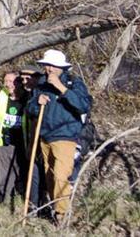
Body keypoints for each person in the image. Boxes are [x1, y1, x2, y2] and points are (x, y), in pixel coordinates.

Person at [26, 49, 92, 223]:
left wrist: (61, 88)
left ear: (61, 67)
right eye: (46, 65)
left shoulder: (74, 83)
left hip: (65, 136)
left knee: (61, 176)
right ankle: (56, 207)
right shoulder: (41, 84)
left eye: (52, 66)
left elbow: (83, 106)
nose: (48, 69)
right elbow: (30, 109)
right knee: (50, 176)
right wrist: (36, 102)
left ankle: (62, 215)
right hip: (45, 136)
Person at [0, 69, 26, 206]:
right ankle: (5, 202)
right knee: (3, 176)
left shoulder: (27, 98)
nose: (8, 84)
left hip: (22, 144)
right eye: (5, 81)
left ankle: (19, 202)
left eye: (11, 81)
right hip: (3, 143)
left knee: (21, 174)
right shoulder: (1, 97)